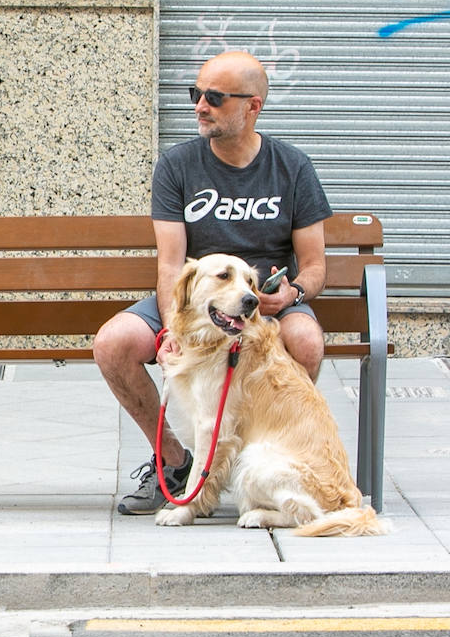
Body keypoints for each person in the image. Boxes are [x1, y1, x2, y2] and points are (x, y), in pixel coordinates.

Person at [93, 50, 333, 516]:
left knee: (305, 341)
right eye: (196, 94)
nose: (200, 106)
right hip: (196, 298)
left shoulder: (292, 167)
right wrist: (171, 330)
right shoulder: (178, 166)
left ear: (252, 106)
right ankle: (174, 464)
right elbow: (170, 266)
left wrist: (294, 293)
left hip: (262, 302)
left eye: (215, 98)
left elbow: (315, 266)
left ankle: (265, 458)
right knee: (112, 343)